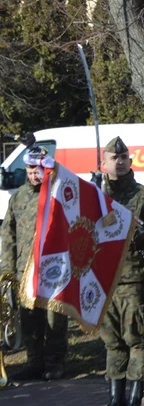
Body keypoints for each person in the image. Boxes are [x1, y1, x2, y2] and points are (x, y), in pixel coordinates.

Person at [92, 137, 144, 406]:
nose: (119, 162)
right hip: (103, 279)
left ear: (130, 162)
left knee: (135, 339)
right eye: (113, 157)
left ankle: (134, 402)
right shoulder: (94, 195)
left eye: (123, 157)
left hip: (133, 277)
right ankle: (115, 401)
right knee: (112, 342)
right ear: (104, 163)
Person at [2, 147, 68, 383]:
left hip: (54, 269)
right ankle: (34, 363)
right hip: (25, 270)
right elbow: (8, 235)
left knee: (54, 319)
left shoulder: (57, 194)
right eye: (30, 170)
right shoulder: (17, 197)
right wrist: (7, 270)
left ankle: (55, 364)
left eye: (37, 170)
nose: (33, 175)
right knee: (29, 319)